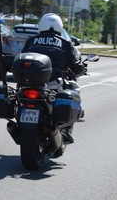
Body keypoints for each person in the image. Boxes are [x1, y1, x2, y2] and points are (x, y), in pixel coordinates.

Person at [22, 13, 86, 143]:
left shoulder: (31, 41)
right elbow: (77, 68)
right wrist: (82, 69)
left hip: (29, 84)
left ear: (41, 26)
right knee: (74, 89)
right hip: (53, 84)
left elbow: (22, 58)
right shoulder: (66, 44)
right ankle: (66, 129)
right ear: (59, 27)